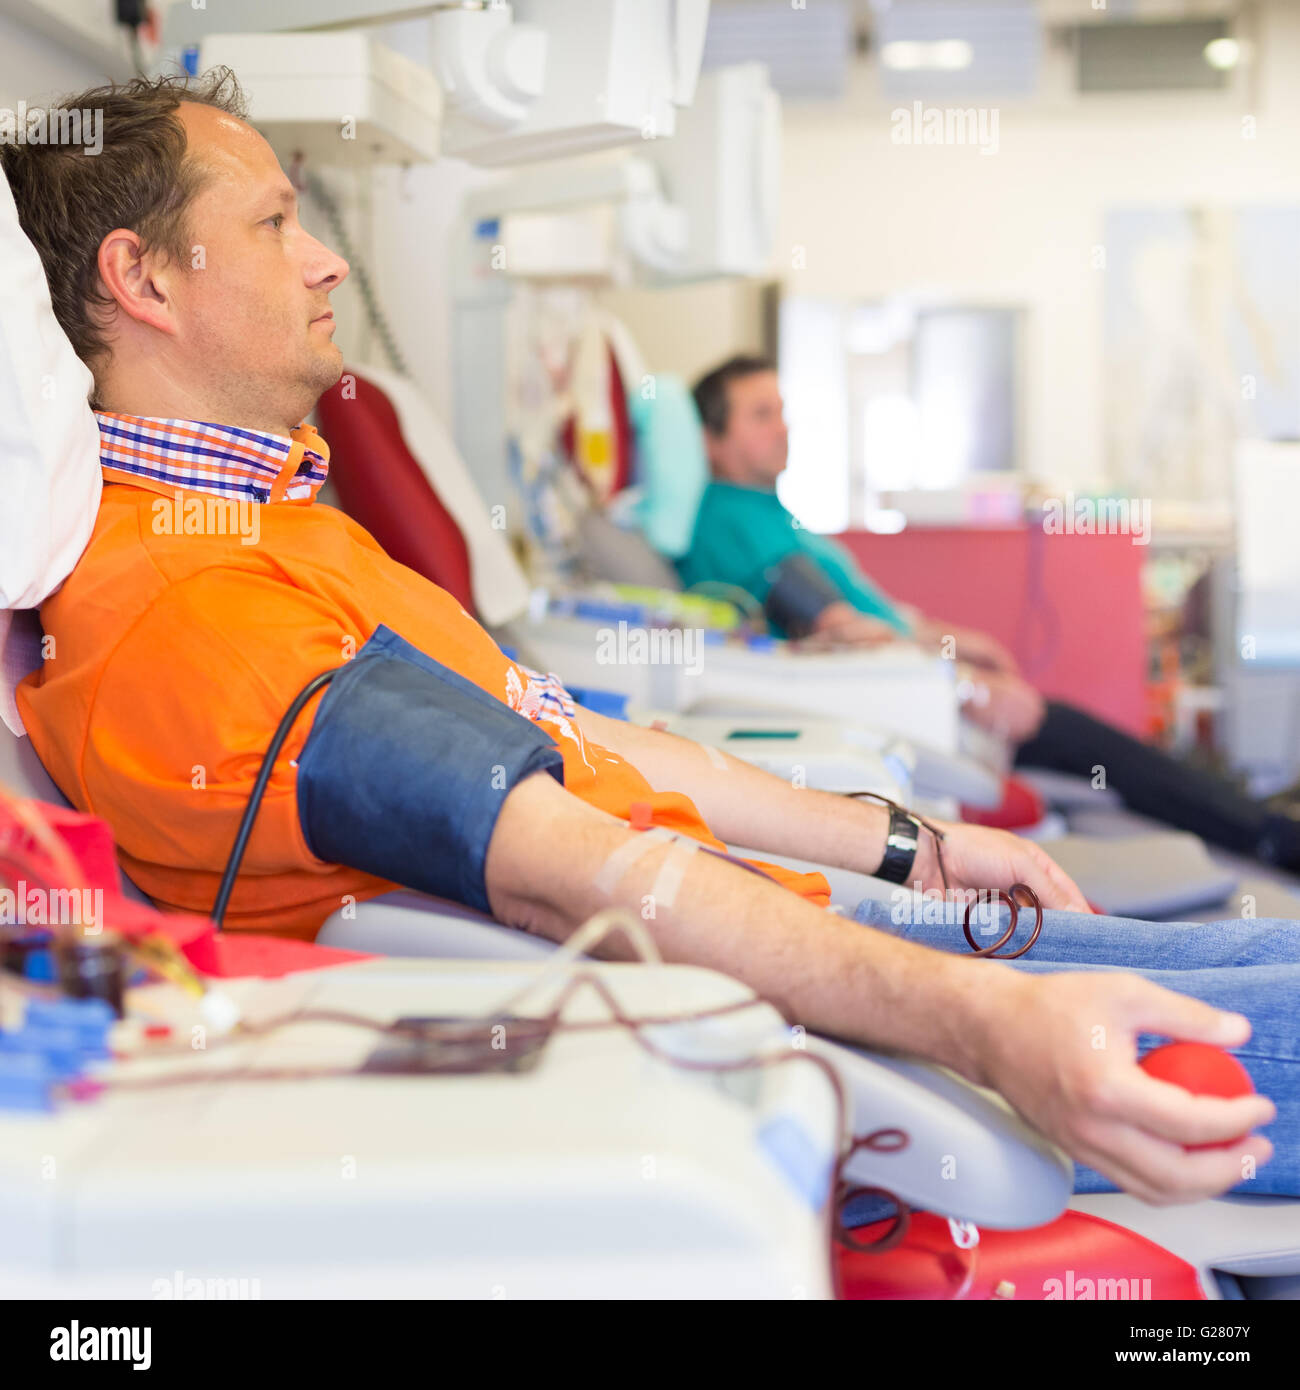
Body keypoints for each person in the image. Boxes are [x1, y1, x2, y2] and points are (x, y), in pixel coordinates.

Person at [3, 71, 1291, 1206]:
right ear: (142, 277)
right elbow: (572, 872)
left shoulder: (275, 527)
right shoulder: (196, 612)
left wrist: (909, 843)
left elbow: (565, 728)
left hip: (793, 924)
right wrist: (989, 1021)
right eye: (277, 222)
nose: (326, 258)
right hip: (798, 995)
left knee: (1266, 945)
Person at [682, 354, 1300, 870]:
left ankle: (1254, 823)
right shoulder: (731, 523)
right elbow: (841, 632)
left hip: (923, 680)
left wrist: (950, 639)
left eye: (784, 412)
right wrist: (970, 689)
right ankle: (1266, 836)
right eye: (761, 416)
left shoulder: (770, 513)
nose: (783, 428)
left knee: (1098, 748)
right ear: (713, 440)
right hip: (914, 701)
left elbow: (868, 616)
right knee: (1092, 745)